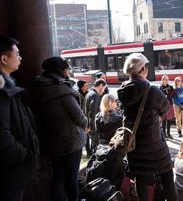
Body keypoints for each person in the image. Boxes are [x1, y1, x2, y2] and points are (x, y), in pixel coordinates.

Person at [117, 53, 176, 201]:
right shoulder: (152, 90)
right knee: (167, 177)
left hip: (134, 146)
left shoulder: (122, 91)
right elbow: (166, 108)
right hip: (155, 145)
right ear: (142, 69)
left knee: (141, 181)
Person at [32, 56, 87, 201]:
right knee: (72, 176)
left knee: (58, 175)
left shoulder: (38, 86)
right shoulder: (61, 89)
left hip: (51, 140)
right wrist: (86, 125)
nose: (68, 71)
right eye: (67, 69)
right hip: (70, 141)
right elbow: (79, 117)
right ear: (61, 71)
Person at [0, 36, 39, 201]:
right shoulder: (2, 89)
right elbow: (1, 134)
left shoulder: (9, 84)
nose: (21, 57)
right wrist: (23, 154)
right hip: (10, 170)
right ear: (3, 58)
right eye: (17, 54)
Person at [84, 79, 107, 156]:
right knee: (96, 147)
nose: (103, 91)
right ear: (101, 85)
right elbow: (92, 113)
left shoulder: (89, 93)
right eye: (104, 88)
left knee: (93, 145)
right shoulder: (95, 95)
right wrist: (92, 127)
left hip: (89, 124)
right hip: (93, 126)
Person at [159, 75, 175, 139]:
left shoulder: (170, 87)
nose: (166, 81)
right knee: (164, 121)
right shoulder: (160, 88)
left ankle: (168, 133)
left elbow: (173, 94)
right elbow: (159, 98)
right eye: (165, 79)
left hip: (170, 105)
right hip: (163, 106)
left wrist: (169, 95)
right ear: (162, 80)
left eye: (167, 79)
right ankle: (164, 134)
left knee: (169, 120)